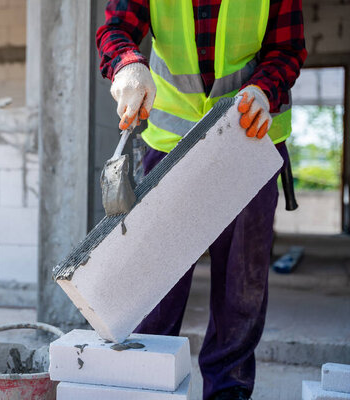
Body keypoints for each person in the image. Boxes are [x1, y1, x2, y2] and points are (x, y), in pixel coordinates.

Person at [96, 1, 307, 399]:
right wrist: (127, 63)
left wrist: (264, 91)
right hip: (171, 142)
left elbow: (288, 49)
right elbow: (117, 27)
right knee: (157, 287)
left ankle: (229, 392)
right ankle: (148, 387)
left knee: (240, 288)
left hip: (250, 135)